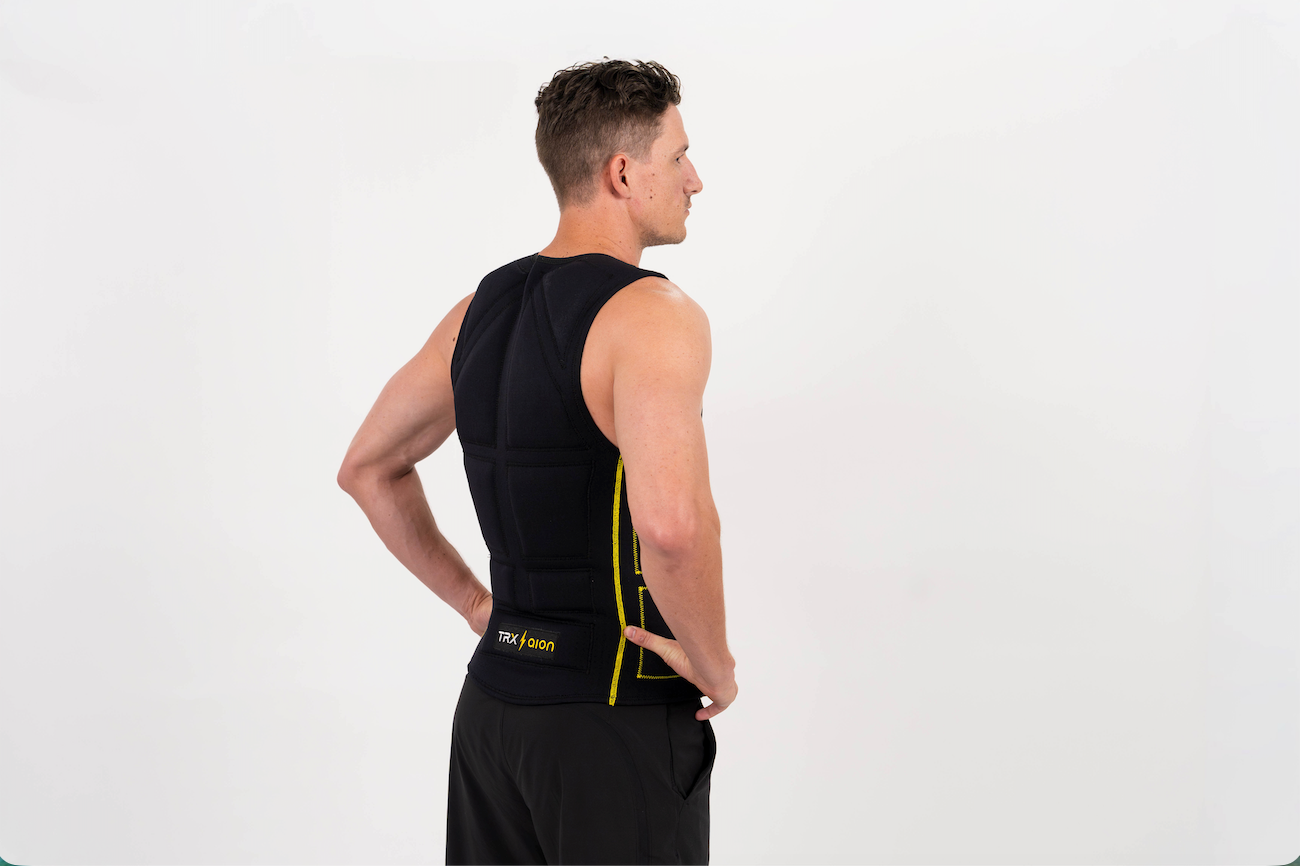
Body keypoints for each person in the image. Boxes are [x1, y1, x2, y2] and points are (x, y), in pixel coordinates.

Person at [337, 58, 735, 864]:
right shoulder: (654, 315)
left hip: (491, 714)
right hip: (613, 717)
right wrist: (714, 665)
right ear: (622, 174)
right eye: (679, 156)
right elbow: (670, 527)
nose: (695, 179)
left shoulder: (478, 312)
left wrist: (476, 607)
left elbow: (368, 467)